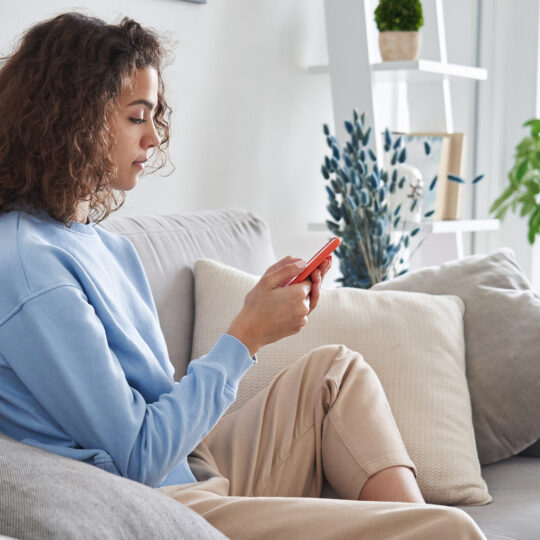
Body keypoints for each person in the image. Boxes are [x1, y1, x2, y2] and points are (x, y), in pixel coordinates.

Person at [0, 12, 486, 540]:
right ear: (74, 118)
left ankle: (403, 525)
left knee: (337, 374)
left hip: (191, 468)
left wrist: (252, 318)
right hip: (155, 505)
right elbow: (138, 457)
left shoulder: (104, 246)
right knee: (449, 530)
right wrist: (246, 336)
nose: (153, 140)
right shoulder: (31, 269)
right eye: (137, 117)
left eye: (154, 117)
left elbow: (161, 412)